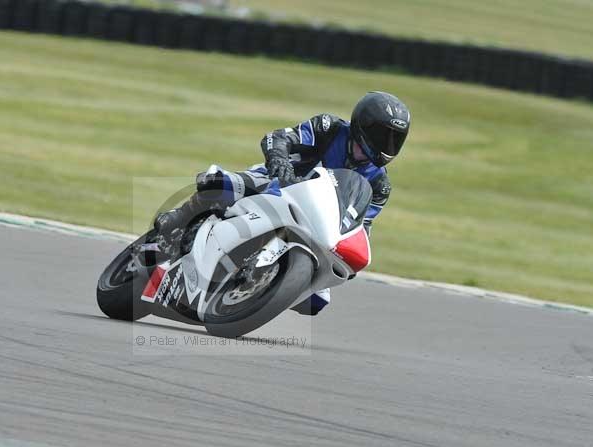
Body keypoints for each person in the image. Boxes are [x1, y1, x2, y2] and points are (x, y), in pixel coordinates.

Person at [154, 91, 411, 315]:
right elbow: (277, 137)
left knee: (316, 302)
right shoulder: (329, 128)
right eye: (382, 135)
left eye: (394, 139)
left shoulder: (379, 185)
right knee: (218, 183)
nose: (387, 145)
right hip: (276, 184)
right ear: (362, 125)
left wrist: (350, 255)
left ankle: (259, 292)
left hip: (315, 224)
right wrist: (279, 160)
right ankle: (177, 218)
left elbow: (362, 225)